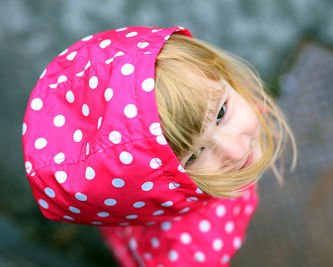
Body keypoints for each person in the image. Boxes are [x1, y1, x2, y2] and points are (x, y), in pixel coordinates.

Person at [22, 26, 296, 266]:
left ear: (220, 71)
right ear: (143, 193)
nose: (236, 151)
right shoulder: (186, 253)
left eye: (222, 113)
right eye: (192, 157)